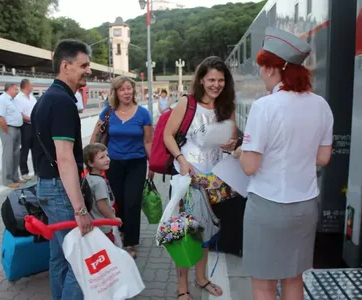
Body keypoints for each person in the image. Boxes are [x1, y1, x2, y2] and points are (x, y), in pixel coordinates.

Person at [236, 27, 334, 300]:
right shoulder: (321, 105)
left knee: (264, 282)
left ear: (270, 69)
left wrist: (241, 151)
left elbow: (250, 167)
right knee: (294, 278)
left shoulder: (264, 107)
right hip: (305, 206)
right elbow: (323, 158)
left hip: (268, 207)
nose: (260, 73)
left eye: (261, 67)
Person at [163, 56, 239, 299]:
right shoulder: (188, 103)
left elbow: (233, 139)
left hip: (215, 181)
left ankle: (202, 278)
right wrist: (181, 160)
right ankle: (182, 288)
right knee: (186, 233)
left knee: (207, 232)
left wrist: (231, 143)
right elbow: (167, 135)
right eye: (211, 80)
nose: (216, 85)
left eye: (221, 80)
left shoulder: (227, 106)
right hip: (189, 180)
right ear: (201, 80)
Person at [31, 39, 93, 300]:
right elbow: (65, 158)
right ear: (65, 66)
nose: (88, 70)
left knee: (59, 257)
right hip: (61, 190)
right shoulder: (64, 102)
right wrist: (80, 210)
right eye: (84, 65)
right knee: (79, 263)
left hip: (46, 187)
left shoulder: (45, 99)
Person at [90, 76, 154, 259]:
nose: (126, 92)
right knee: (117, 201)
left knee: (132, 202)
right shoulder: (107, 112)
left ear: (134, 91)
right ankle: (120, 232)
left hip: (137, 163)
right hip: (113, 163)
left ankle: (130, 242)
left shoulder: (143, 114)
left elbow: (148, 141)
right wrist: (91, 160)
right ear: (116, 92)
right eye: (122, 89)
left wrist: (153, 165)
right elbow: (95, 136)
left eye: (129, 88)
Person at [83, 143, 121, 243]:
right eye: (102, 157)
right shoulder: (99, 182)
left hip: (94, 226)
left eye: (107, 155)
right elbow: (102, 206)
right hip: (104, 227)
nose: (107, 159)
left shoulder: (88, 178)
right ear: (91, 163)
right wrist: (113, 218)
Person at [0, 83, 25, 188]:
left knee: (16, 155)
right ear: (10, 89)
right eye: (16, 90)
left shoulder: (13, 101)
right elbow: (0, 117)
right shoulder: (1, 100)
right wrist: (7, 131)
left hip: (16, 129)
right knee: (8, 155)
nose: (17, 92)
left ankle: (15, 177)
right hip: (8, 129)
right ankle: (7, 180)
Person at [15, 79, 37, 180]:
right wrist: (32, 119)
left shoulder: (32, 97)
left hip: (35, 125)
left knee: (36, 149)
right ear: (26, 86)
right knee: (25, 149)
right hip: (25, 126)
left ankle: (37, 171)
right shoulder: (18, 98)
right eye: (31, 85)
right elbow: (20, 114)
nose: (33, 86)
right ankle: (24, 172)